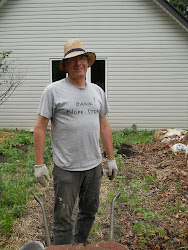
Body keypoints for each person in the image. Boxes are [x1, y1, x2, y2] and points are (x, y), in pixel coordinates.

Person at [33, 39, 118, 246]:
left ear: (87, 63)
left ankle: (79, 245)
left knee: (88, 211)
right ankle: (63, 247)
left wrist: (111, 159)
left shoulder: (97, 92)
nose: (78, 63)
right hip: (67, 168)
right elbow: (40, 127)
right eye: (73, 60)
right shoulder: (53, 91)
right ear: (65, 65)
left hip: (93, 166)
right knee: (63, 218)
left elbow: (104, 126)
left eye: (82, 59)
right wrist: (39, 164)